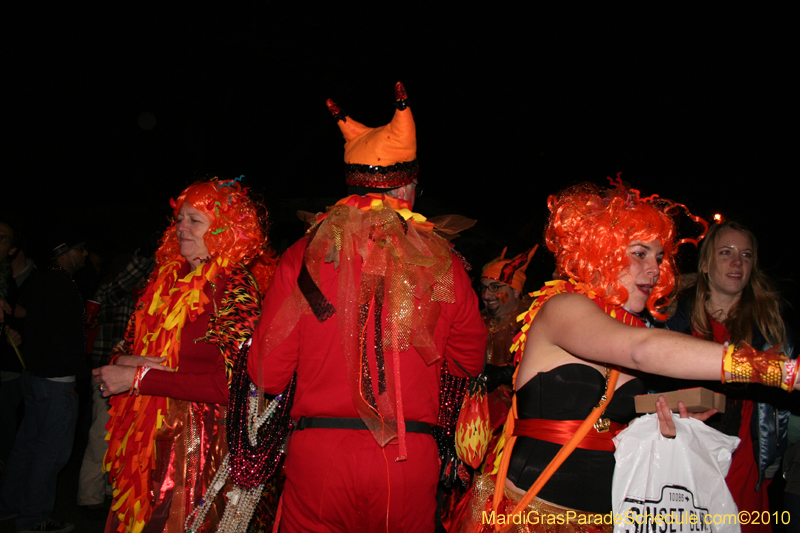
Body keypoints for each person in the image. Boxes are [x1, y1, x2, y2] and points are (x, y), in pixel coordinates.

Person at [447, 179, 799, 532]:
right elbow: (641, 351)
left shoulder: (628, 324)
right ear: (603, 251)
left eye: (660, 258)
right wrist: (778, 371)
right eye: (640, 253)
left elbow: (606, 410)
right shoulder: (564, 306)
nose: (655, 269)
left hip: (608, 519)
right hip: (532, 515)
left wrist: (667, 413)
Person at [248, 83, 486, 533]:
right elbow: (469, 361)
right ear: (410, 189)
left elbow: (267, 373)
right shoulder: (444, 265)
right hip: (407, 458)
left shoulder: (302, 256)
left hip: (318, 456)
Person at [92, 178, 275, 533]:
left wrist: (141, 379)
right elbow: (122, 349)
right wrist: (126, 363)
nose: (181, 229)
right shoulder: (163, 280)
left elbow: (238, 386)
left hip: (197, 449)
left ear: (224, 229)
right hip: (146, 443)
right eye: (179, 219)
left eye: (195, 220)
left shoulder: (233, 285)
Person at [655, 221, 795, 530]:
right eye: (726, 253)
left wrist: (771, 457)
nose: (737, 262)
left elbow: (780, 404)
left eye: (746, 255)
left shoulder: (772, 327)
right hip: (682, 457)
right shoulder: (669, 319)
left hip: (744, 462)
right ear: (704, 264)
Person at [0, 237, 89, 533]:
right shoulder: (61, 284)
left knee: (26, 447)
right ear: (64, 252)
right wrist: (77, 369)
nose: (84, 253)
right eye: (80, 248)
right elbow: (64, 336)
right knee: (49, 453)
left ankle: (9, 506)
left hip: (35, 377)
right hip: (55, 382)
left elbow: (18, 310)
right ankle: (34, 518)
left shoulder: (39, 280)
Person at [479, 247, 537, 431]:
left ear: (516, 291)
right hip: (474, 418)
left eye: (495, 287)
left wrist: (505, 374)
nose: (487, 295)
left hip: (512, 419)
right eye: (484, 288)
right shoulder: (476, 322)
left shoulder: (531, 324)